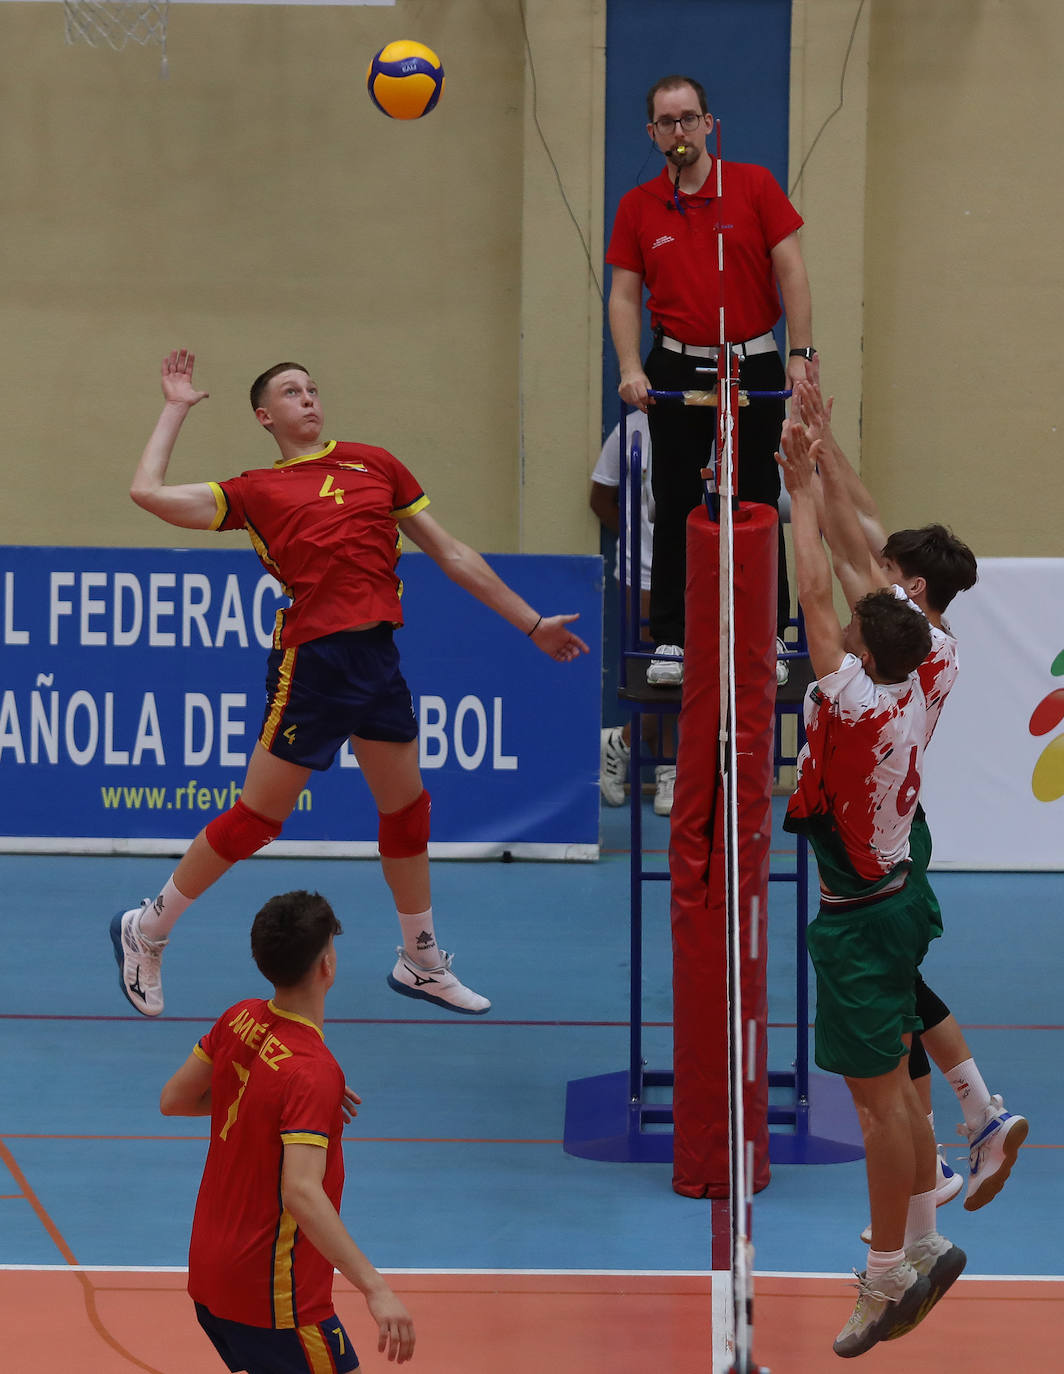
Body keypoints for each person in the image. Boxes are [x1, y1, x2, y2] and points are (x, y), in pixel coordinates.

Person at [111, 350, 589, 1020]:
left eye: (312, 388)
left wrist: (531, 623)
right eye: (290, 391)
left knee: (406, 810)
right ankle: (147, 927)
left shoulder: (376, 464)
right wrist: (175, 408)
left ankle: (420, 959)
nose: (307, 398)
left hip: (376, 660)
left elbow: (450, 553)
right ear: (264, 415)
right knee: (257, 820)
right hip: (313, 665)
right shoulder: (253, 491)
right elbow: (148, 494)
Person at [790, 374, 1028, 1231]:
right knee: (903, 981)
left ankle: (963, 1135)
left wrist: (802, 484)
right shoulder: (932, 642)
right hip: (898, 819)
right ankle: (974, 1119)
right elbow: (868, 528)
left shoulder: (880, 670)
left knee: (889, 984)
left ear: (912, 591)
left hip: (874, 842)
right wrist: (825, 443)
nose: (877, 571)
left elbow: (842, 558)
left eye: (891, 572)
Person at [776, 417, 965, 1357]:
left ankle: (887, 1270)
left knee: (877, 1105)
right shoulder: (933, 666)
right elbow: (857, 571)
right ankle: (927, 1238)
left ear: (861, 647)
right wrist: (818, 476)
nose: (843, 620)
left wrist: (794, 491)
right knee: (899, 1093)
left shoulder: (844, 700)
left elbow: (817, 581)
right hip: (896, 894)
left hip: (858, 921)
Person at [606, 73, 814, 689]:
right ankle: (671, 637)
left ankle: (767, 637)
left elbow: (793, 271)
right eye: (667, 122)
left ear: (708, 123)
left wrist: (799, 354)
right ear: (652, 133)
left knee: (754, 500)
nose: (680, 131)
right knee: (674, 503)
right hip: (675, 364)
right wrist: (630, 367)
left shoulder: (751, 185)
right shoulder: (639, 205)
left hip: (752, 360)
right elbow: (623, 295)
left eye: (689, 118)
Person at [160, 889, 415, 1371]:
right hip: (274, 1298)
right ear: (327, 966)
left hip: (211, 1278)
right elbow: (300, 1191)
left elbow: (175, 1100)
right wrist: (375, 1289)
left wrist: (281, 1099)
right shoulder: (312, 1072)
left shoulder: (238, 1018)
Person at [591, 410, 676, 816]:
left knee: (689, 676)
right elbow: (599, 496)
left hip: (704, 572)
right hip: (641, 574)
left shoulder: (724, 423)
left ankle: (620, 743)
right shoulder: (631, 428)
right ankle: (668, 769)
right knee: (659, 679)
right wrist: (633, 540)